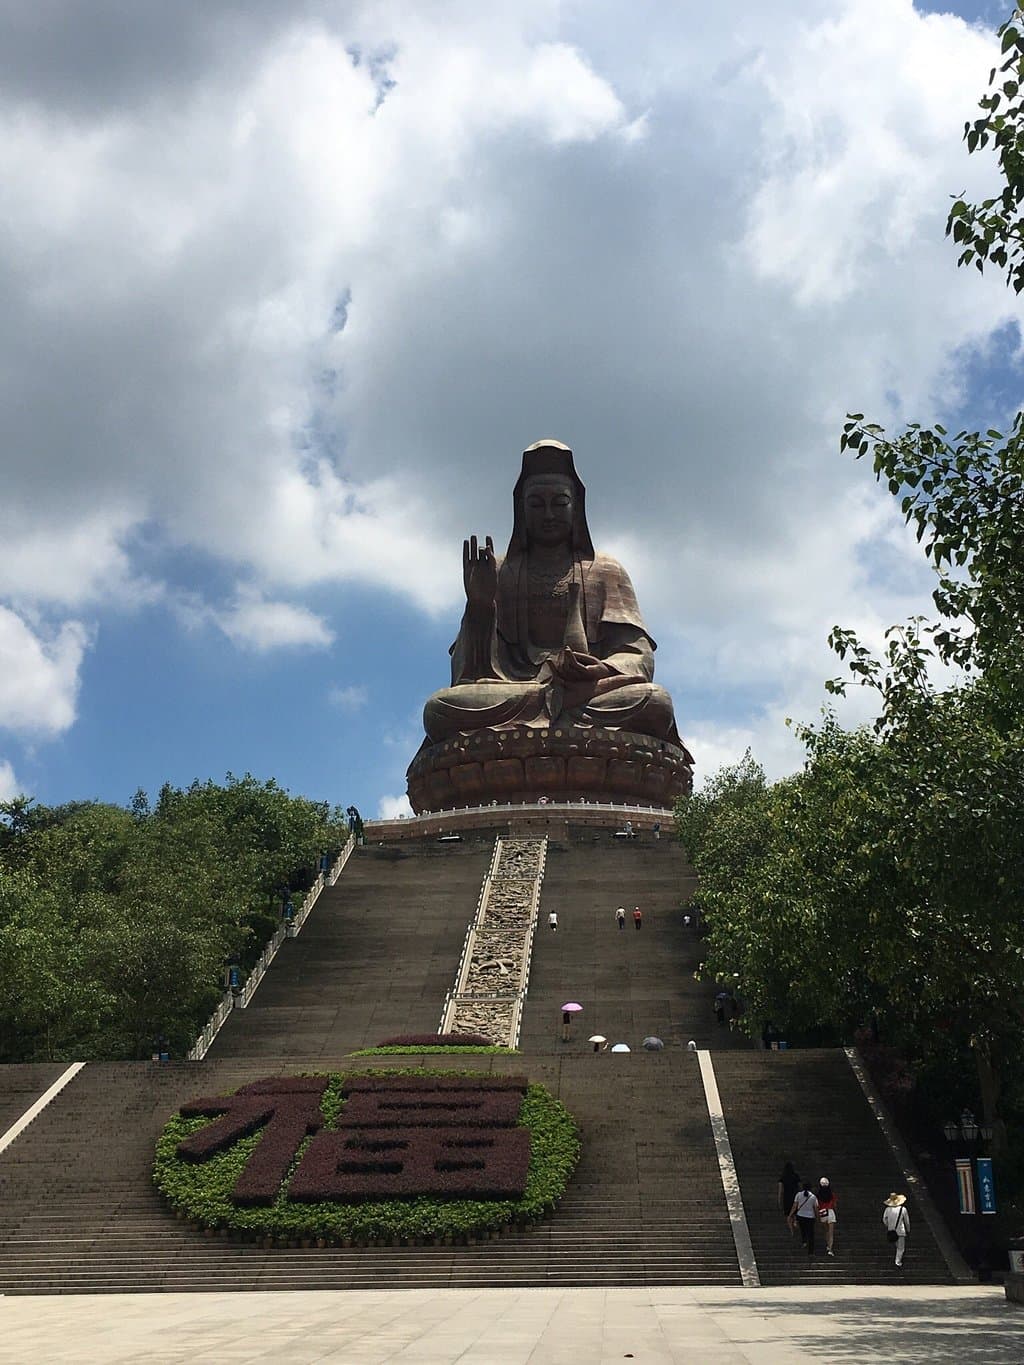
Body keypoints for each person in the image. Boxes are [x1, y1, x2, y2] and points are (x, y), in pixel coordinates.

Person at [788, 1183, 818, 1255]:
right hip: (810, 1217)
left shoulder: (798, 1194)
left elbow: (795, 1205)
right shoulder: (813, 1197)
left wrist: (790, 1214)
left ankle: (804, 1241)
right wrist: (817, 1217)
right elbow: (816, 1208)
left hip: (800, 1215)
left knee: (803, 1230)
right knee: (811, 1234)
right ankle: (811, 1251)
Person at [882, 1193, 910, 1267]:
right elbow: (906, 1221)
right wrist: (908, 1229)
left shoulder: (887, 1209)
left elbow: (884, 1219)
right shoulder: (903, 1209)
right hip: (900, 1231)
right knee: (901, 1248)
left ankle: (897, 1260)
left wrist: (888, 1226)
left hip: (891, 1231)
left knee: (897, 1246)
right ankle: (897, 1262)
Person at [817, 1177, 837, 1256]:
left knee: (826, 1231)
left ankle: (828, 1245)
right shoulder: (832, 1194)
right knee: (831, 1233)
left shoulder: (818, 1195)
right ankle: (830, 1249)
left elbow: (817, 1206)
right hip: (830, 1212)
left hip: (823, 1213)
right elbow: (835, 1205)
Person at [778, 1162, 800, 1229]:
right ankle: (795, 1223)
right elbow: (799, 1187)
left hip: (786, 1197)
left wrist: (779, 1199)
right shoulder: (796, 1176)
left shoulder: (783, 1177)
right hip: (795, 1196)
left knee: (788, 1214)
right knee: (795, 1213)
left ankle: (791, 1230)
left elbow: (780, 1190)